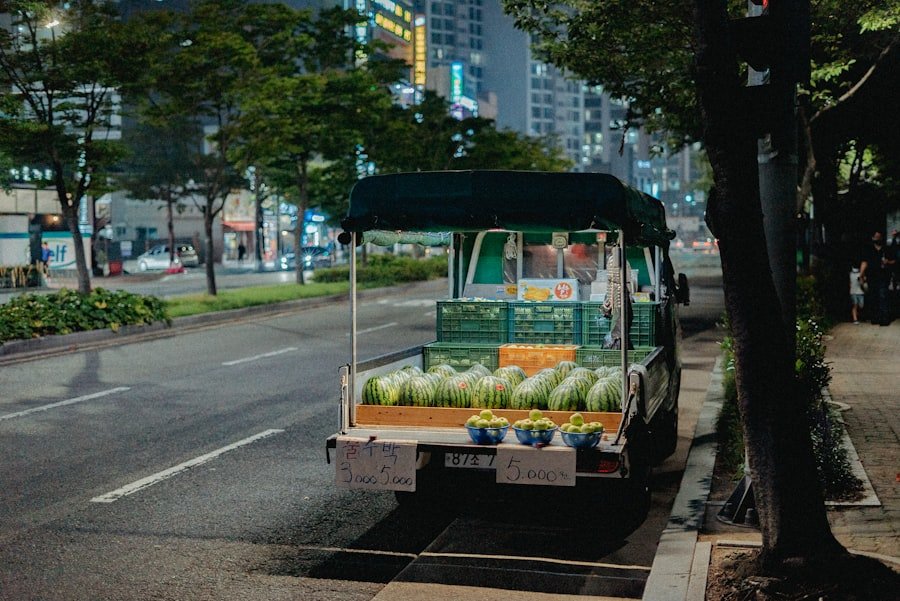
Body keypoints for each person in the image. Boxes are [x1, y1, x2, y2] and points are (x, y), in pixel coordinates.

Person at [859, 231, 896, 326]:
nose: (878, 238)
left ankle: (884, 319)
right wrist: (861, 275)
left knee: (883, 296)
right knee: (873, 296)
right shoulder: (868, 249)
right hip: (871, 276)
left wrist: (888, 262)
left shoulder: (887, 249)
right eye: (876, 237)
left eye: (879, 237)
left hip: (884, 276)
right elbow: (864, 262)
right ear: (872, 238)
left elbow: (894, 261)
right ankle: (875, 317)